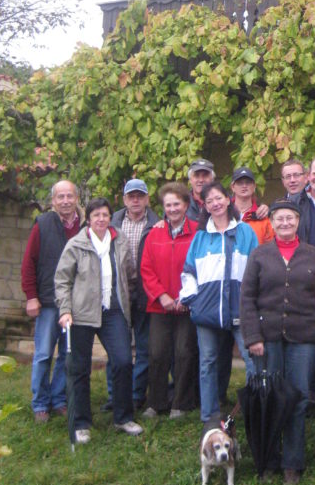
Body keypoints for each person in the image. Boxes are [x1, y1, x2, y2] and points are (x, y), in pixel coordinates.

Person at [241, 199, 315, 485]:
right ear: (271, 222)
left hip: (304, 339)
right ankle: (268, 458)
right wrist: (252, 337)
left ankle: (292, 462)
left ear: (298, 222)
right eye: (279, 219)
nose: (285, 223)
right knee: (268, 398)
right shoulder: (259, 255)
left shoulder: (314, 256)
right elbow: (246, 298)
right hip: (267, 339)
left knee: (295, 398)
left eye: (290, 219)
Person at [54, 197, 144, 442]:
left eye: (105, 215)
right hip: (82, 313)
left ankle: (123, 417)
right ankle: (82, 423)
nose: (101, 219)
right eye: (96, 216)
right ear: (89, 219)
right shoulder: (76, 244)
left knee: (124, 361)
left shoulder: (119, 241)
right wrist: (65, 310)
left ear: (110, 217)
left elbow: (129, 273)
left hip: (113, 311)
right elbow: (62, 280)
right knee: (79, 367)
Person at [179, 182, 258, 422]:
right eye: (209, 200)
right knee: (208, 363)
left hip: (240, 310)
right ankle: (210, 415)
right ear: (205, 206)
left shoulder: (246, 232)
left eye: (219, 198)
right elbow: (188, 272)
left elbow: (256, 270)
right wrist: (194, 299)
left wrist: (252, 301)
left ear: (228, 199)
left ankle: (254, 409)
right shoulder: (201, 237)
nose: (215, 203)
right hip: (207, 311)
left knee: (252, 360)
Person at [20, 180, 82, 422]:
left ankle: (59, 399)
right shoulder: (43, 224)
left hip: (74, 303)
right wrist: (31, 296)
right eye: (60, 197)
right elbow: (28, 263)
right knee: (44, 354)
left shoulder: (84, 227)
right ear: (53, 201)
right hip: (46, 301)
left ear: (77, 198)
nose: (65, 201)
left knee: (66, 355)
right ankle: (40, 404)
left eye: (69, 196)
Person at [139, 182, 199, 418]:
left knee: (184, 353)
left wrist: (186, 297)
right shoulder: (155, 233)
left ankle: (181, 403)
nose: (172, 209)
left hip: (187, 305)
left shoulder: (197, 232)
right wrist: (162, 296)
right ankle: (156, 402)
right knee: (157, 353)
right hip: (159, 305)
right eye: (168, 205)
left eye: (177, 204)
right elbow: (146, 268)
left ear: (186, 205)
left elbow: (200, 266)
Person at [107, 178, 158, 410]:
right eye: (131, 196)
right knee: (117, 345)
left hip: (145, 290)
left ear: (147, 198)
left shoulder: (157, 223)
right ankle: (115, 395)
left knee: (144, 345)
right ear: (124, 199)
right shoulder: (111, 221)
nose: (135, 200)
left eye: (140, 195)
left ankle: (137, 395)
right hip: (118, 290)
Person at [230, 167, 273, 243]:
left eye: (248, 182)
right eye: (240, 183)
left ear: (254, 186)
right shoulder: (224, 213)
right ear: (233, 187)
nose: (244, 186)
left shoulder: (262, 215)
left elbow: (269, 248)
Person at [185, 158, 216, 224]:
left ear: (212, 179)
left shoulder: (222, 202)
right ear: (190, 180)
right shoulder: (181, 202)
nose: (201, 180)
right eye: (196, 175)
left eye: (205, 175)